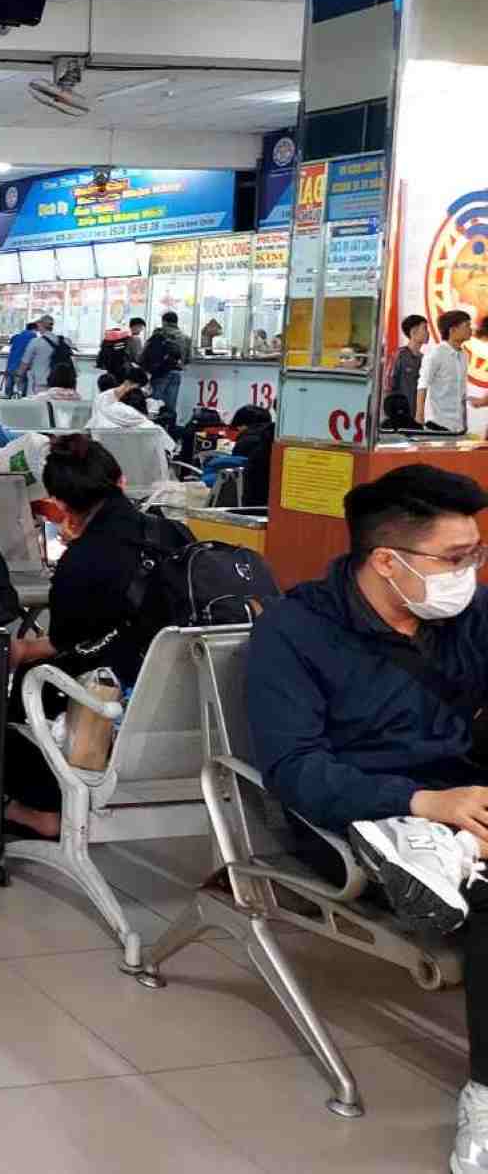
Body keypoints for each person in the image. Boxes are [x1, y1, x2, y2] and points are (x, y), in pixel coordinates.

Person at [245, 466, 488, 1173]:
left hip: (458, 793)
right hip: (349, 815)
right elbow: (294, 769)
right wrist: (423, 804)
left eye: (475, 554)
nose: (468, 573)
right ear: (387, 560)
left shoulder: (467, 616)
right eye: (455, 558)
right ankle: (484, 1095)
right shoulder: (296, 632)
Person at [2, 435, 191, 838]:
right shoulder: (174, 534)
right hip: (182, 702)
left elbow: (63, 642)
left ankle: (43, 809)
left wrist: (21, 650)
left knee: (31, 680)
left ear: (60, 503)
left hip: (112, 703)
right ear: (120, 479)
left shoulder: (82, 560)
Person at [418, 309, 488, 434]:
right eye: (467, 326)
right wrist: (419, 415)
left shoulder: (464, 355)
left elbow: (461, 392)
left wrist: (464, 423)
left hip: (458, 427)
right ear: (453, 330)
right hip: (437, 424)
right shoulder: (436, 353)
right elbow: (422, 384)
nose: (471, 330)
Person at [140, 312, 191, 420]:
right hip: (176, 373)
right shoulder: (185, 337)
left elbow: (145, 353)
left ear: (164, 321)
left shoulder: (158, 333)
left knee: (154, 405)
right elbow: (188, 359)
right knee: (171, 405)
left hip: (160, 372)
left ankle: (153, 427)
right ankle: (169, 427)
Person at [18, 314, 72, 396]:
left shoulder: (35, 342)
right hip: (60, 385)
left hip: (40, 385)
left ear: (40, 325)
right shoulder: (64, 341)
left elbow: (24, 363)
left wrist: (18, 376)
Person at [392, 315, 430, 407]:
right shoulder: (399, 356)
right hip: (399, 410)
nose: (428, 333)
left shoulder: (424, 359)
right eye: (424, 328)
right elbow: (388, 386)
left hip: (417, 411)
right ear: (413, 332)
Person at [4, 322, 39, 396]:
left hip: (10, 366)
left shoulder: (17, 337)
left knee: (8, 393)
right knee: (21, 394)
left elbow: (12, 350)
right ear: (35, 329)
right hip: (21, 367)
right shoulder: (33, 337)